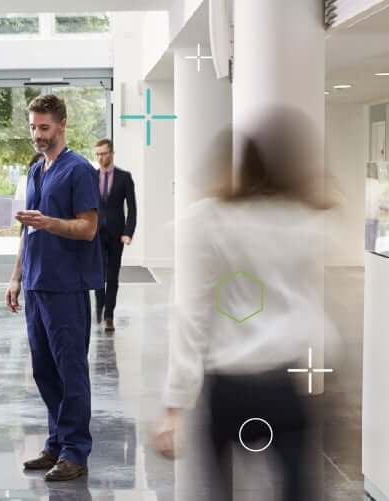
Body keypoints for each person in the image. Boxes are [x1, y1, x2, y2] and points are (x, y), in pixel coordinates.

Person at [154, 108, 335, 501]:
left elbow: (190, 313)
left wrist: (175, 403)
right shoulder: (300, 219)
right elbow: (310, 309)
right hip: (284, 386)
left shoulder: (206, 221)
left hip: (229, 389)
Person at [5, 94, 102, 482]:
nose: (37, 135)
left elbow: (88, 227)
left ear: (62, 125)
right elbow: (27, 228)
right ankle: (57, 443)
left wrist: (51, 223)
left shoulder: (78, 170)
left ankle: (76, 451)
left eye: (44, 128)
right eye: (33, 127)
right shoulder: (35, 171)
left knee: (70, 370)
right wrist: (16, 277)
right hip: (36, 284)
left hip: (67, 286)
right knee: (44, 370)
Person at [93, 138, 136, 333]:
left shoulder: (124, 177)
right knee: (97, 274)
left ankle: (109, 314)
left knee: (112, 276)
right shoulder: (91, 177)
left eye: (104, 153)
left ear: (111, 153)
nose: (101, 158)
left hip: (117, 234)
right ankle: (99, 307)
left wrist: (128, 232)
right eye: (98, 154)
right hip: (95, 233)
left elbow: (132, 208)